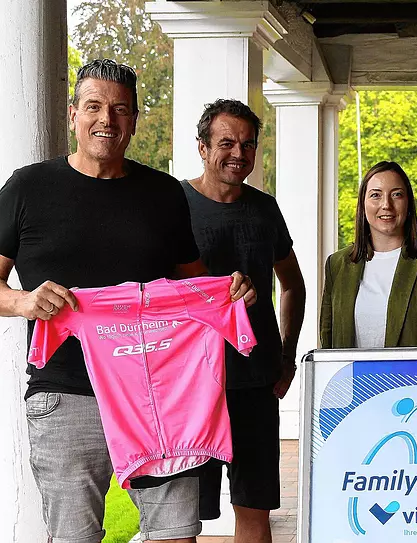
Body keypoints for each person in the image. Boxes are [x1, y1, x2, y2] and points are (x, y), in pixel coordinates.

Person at [0, 60, 254, 543]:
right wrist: (25, 302)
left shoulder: (162, 193)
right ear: (73, 113)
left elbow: (193, 284)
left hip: (163, 395)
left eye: (120, 109)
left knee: (175, 535)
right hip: (67, 391)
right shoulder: (27, 188)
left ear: (135, 118)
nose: (107, 120)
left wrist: (230, 292)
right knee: (74, 538)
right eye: (94, 106)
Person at [182, 99, 306, 542]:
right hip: (191, 385)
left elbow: (293, 284)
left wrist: (287, 355)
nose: (239, 153)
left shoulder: (265, 208)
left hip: (256, 381)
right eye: (227, 142)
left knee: (254, 511)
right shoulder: (175, 205)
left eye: (248, 144)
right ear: (202, 146)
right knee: (179, 518)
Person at [319, 161, 417, 348]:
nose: (386, 205)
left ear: (408, 203)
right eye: (375, 195)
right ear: (362, 205)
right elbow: (327, 345)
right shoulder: (337, 264)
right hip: (351, 378)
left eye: (396, 195)